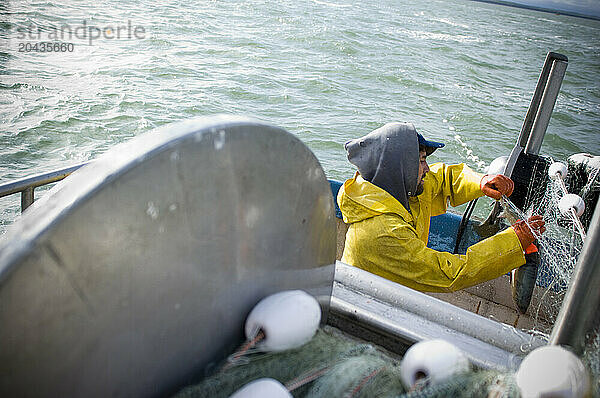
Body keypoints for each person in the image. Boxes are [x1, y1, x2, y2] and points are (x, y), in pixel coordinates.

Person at [337, 122, 546, 292]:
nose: (427, 169)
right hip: (366, 309)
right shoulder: (381, 233)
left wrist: (481, 182)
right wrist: (514, 241)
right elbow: (449, 273)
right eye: (421, 161)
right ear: (401, 168)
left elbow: (445, 178)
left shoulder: (395, 188)